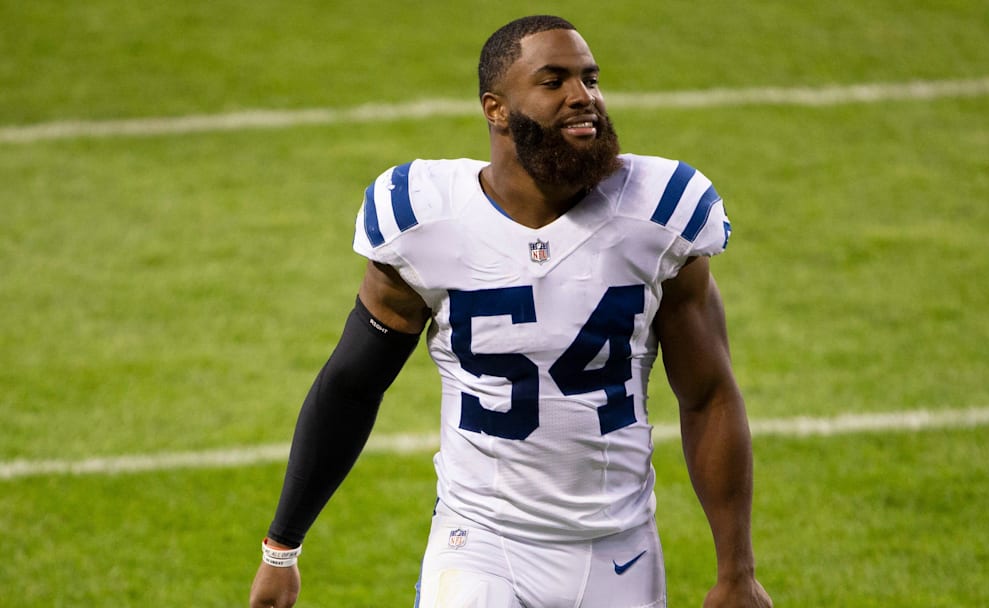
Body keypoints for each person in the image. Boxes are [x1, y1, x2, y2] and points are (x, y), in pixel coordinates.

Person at [250, 14, 771, 608]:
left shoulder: (658, 214)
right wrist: (281, 549)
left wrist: (736, 571)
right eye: (554, 82)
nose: (584, 98)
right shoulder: (424, 219)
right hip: (479, 544)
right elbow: (351, 385)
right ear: (496, 108)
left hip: (618, 549)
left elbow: (709, 395)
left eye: (590, 79)